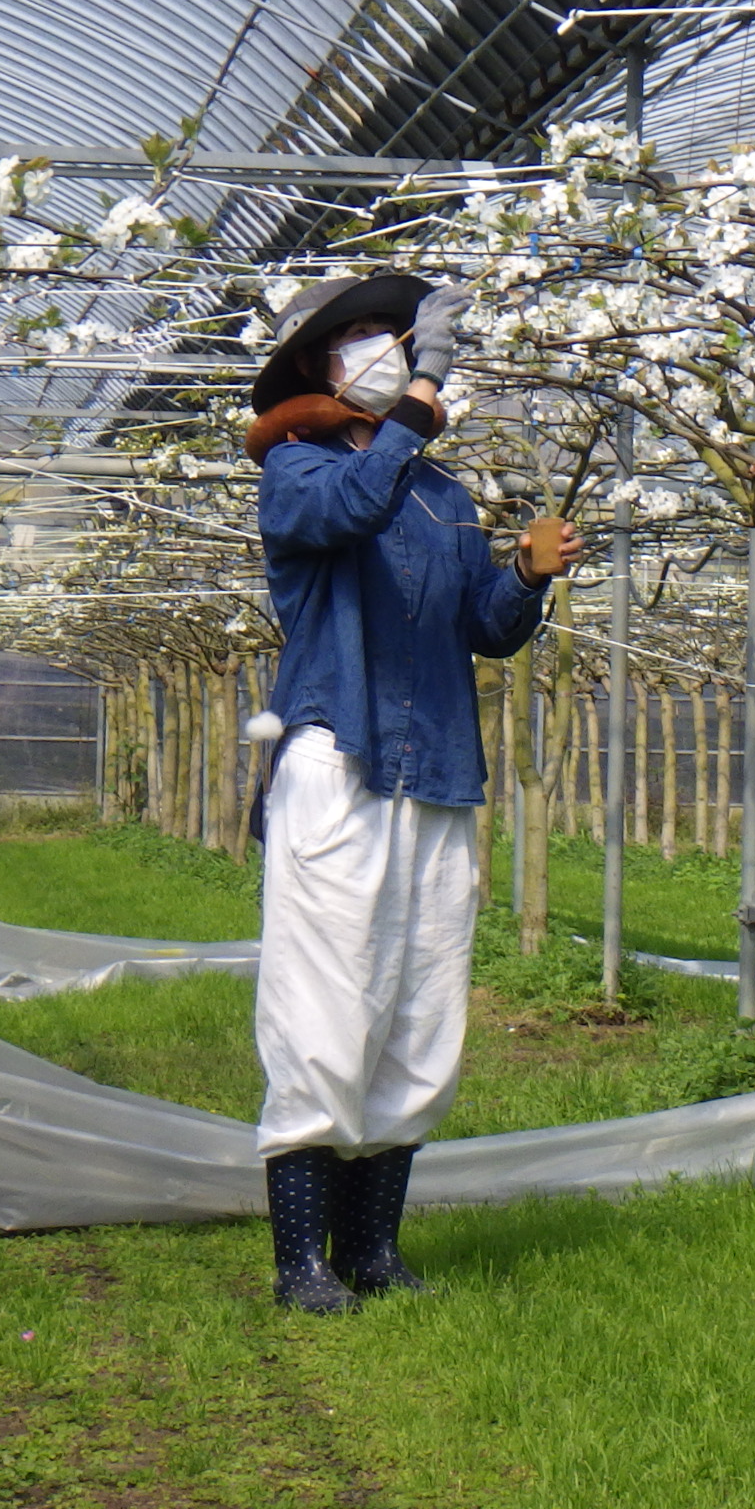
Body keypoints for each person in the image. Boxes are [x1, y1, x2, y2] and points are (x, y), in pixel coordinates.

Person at [244, 273, 582, 1313]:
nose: (379, 352)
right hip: (338, 762)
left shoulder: (443, 494)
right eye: (357, 340)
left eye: (389, 337)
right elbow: (352, 506)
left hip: (434, 769)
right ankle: (301, 1261)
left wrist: (524, 577)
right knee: (324, 998)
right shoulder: (295, 471)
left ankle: (374, 1252)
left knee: (418, 1005)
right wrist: (423, 395)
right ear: (316, 367)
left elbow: (480, 629)